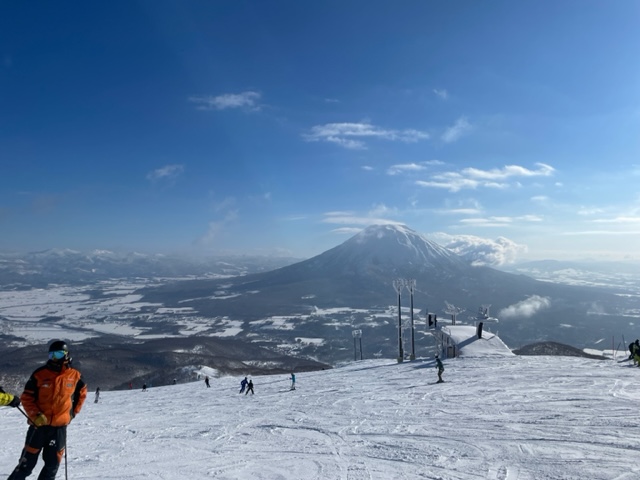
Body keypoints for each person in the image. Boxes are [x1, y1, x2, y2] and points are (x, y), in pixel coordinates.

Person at [8, 340, 87, 480]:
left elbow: (82, 393)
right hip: (38, 426)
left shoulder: (75, 375)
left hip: (58, 429)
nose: (55, 358)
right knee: (25, 465)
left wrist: (72, 414)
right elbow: (27, 397)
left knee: (51, 467)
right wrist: (35, 415)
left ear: (66, 355)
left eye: (58, 354)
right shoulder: (40, 374)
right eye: (52, 355)